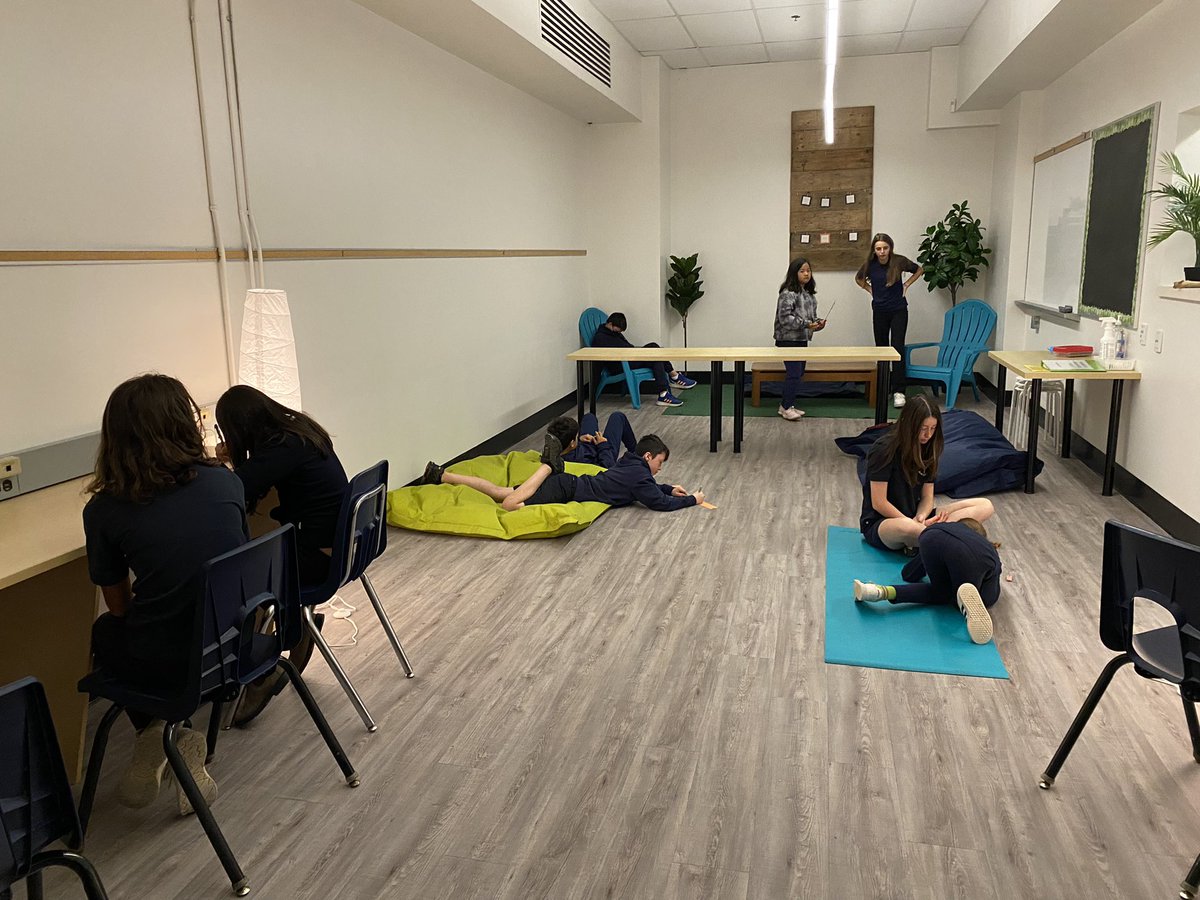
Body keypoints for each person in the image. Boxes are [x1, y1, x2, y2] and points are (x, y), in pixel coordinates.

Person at [84, 374, 246, 814]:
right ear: (186, 423)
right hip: (237, 646)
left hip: (176, 666)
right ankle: (169, 735)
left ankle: (157, 729)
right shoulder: (227, 483)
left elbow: (118, 607)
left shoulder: (105, 511)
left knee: (105, 632)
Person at [214, 384, 349, 724]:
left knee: (241, 580)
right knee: (257, 555)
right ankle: (298, 627)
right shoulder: (298, 431)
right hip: (341, 548)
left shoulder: (281, 448)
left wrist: (217, 464)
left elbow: (236, 488)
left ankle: (262, 670)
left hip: (318, 559)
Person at [423, 417, 704, 512]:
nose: (660, 468)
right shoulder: (640, 476)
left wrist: (668, 488)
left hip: (567, 484)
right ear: (647, 457)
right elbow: (657, 502)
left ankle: (443, 475)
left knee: (501, 492)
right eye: (660, 462)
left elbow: (651, 489)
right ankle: (549, 465)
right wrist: (692, 498)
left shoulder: (630, 464)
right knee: (509, 505)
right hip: (564, 489)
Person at [859, 394, 993, 554]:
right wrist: (912, 522)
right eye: (923, 429)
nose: (928, 435)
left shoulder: (929, 448)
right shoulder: (883, 449)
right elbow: (879, 503)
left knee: (985, 505)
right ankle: (944, 539)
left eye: (932, 429)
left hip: (919, 519)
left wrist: (921, 517)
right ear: (909, 425)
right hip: (886, 523)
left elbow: (927, 497)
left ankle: (932, 538)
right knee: (907, 527)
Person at [853, 518, 1002, 645]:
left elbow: (909, 574)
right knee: (983, 596)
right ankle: (962, 603)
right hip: (975, 558)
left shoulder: (945, 529)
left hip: (930, 536)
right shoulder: (988, 548)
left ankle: (878, 591)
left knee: (939, 590)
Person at [854, 233, 924, 408]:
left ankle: (899, 391)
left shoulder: (899, 261)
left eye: (885, 248)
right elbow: (858, 278)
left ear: (890, 248)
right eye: (878, 248)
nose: (882, 251)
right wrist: (871, 290)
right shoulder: (870, 265)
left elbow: (919, 269)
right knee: (882, 349)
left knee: (897, 347)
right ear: (874, 250)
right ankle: (883, 387)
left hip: (899, 310)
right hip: (879, 311)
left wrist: (906, 284)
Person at [591, 312, 696, 407]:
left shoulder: (614, 333)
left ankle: (665, 391)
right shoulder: (600, 338)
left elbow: (627, 346)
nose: (619, 332)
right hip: (622, 364)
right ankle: (674, 378)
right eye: (618, 329)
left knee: (655, 352)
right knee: (654, 352)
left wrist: (635, 352)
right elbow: (603, 359)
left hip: (631, 358)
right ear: (610, 324)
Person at [773, 256, 826, 421]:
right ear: (794, 273)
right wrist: (806, 324)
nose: (806, 274)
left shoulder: (809, 295)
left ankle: (786, 405)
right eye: (802, 271)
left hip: (801, 339)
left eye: (808, 271)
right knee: (794, 373)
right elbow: (785, 319)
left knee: (798, 372)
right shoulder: (788, 293)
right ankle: (786, 406)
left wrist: (818, 324)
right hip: (787, 340)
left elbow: (811, 318)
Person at [563, 411, 638, 469]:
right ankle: (637, 454)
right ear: (572, 443)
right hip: (602, 454)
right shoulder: (579, 461)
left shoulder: (558, 455)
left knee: (589, 417)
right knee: (618, 416)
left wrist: (580, 439)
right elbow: (607, 467)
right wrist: (602, 444)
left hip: (585, 447)